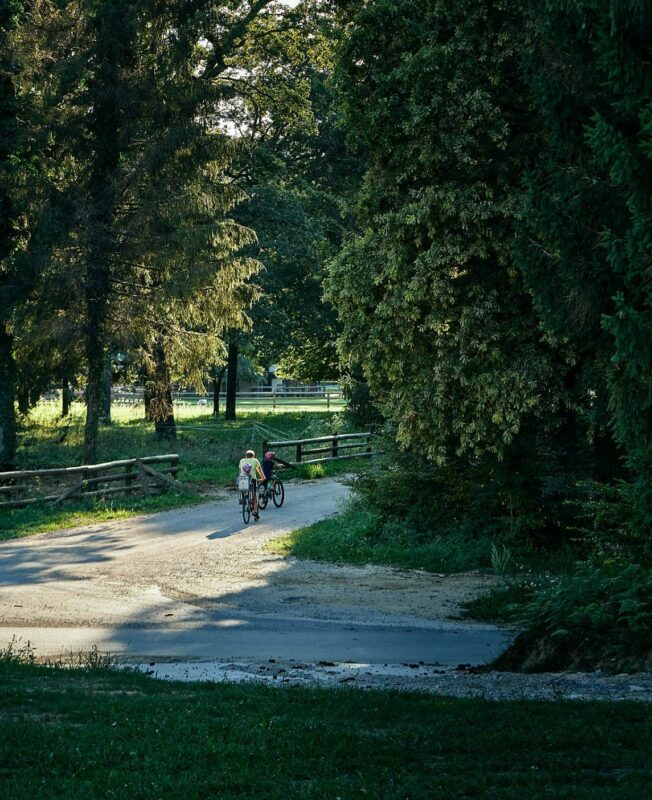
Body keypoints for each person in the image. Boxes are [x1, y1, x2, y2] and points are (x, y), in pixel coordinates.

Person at [238, 449, 265, 519]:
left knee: (245, 491)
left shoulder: (242, 460)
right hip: (252, 479)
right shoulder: (255, 460)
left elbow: (240, 470)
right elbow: (259, 470)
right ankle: (255, 511)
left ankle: (245, 500)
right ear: (253, 456)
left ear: (246, 456)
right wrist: (263, 478)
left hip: (242, 479)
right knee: (255, 495)